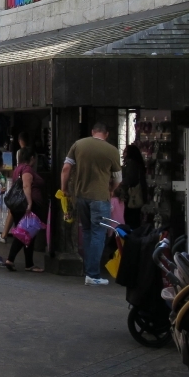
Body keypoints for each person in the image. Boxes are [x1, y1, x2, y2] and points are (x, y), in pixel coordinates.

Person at [61, 122, 122, 286]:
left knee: (87, 232)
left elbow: (66, 168)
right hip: (100, 197)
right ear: (106, 134)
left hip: (81, 196)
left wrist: (64, 188)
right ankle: (93, 274)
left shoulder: (78, 145)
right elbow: (118, 178)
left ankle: (88, 270)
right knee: (98, 234)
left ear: (92, 132)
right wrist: (111, 190)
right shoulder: (112, 151)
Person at [5, 147, 44, 272]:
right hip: (26, 206)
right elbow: (26, 185)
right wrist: (29, 203)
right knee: (24, 233)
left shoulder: (18, 168)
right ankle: (10, 259)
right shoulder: (27, 169)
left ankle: (29, 263)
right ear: (32, 158)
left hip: (19, 206)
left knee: (28, 234)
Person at [120, 144, 147, 229]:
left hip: (133, 196)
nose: (123, 153)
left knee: (131, 219)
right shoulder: (137, 164)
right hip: (137, 194)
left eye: (125, 151)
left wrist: (120, 183)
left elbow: (129, 179)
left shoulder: (131, 164)